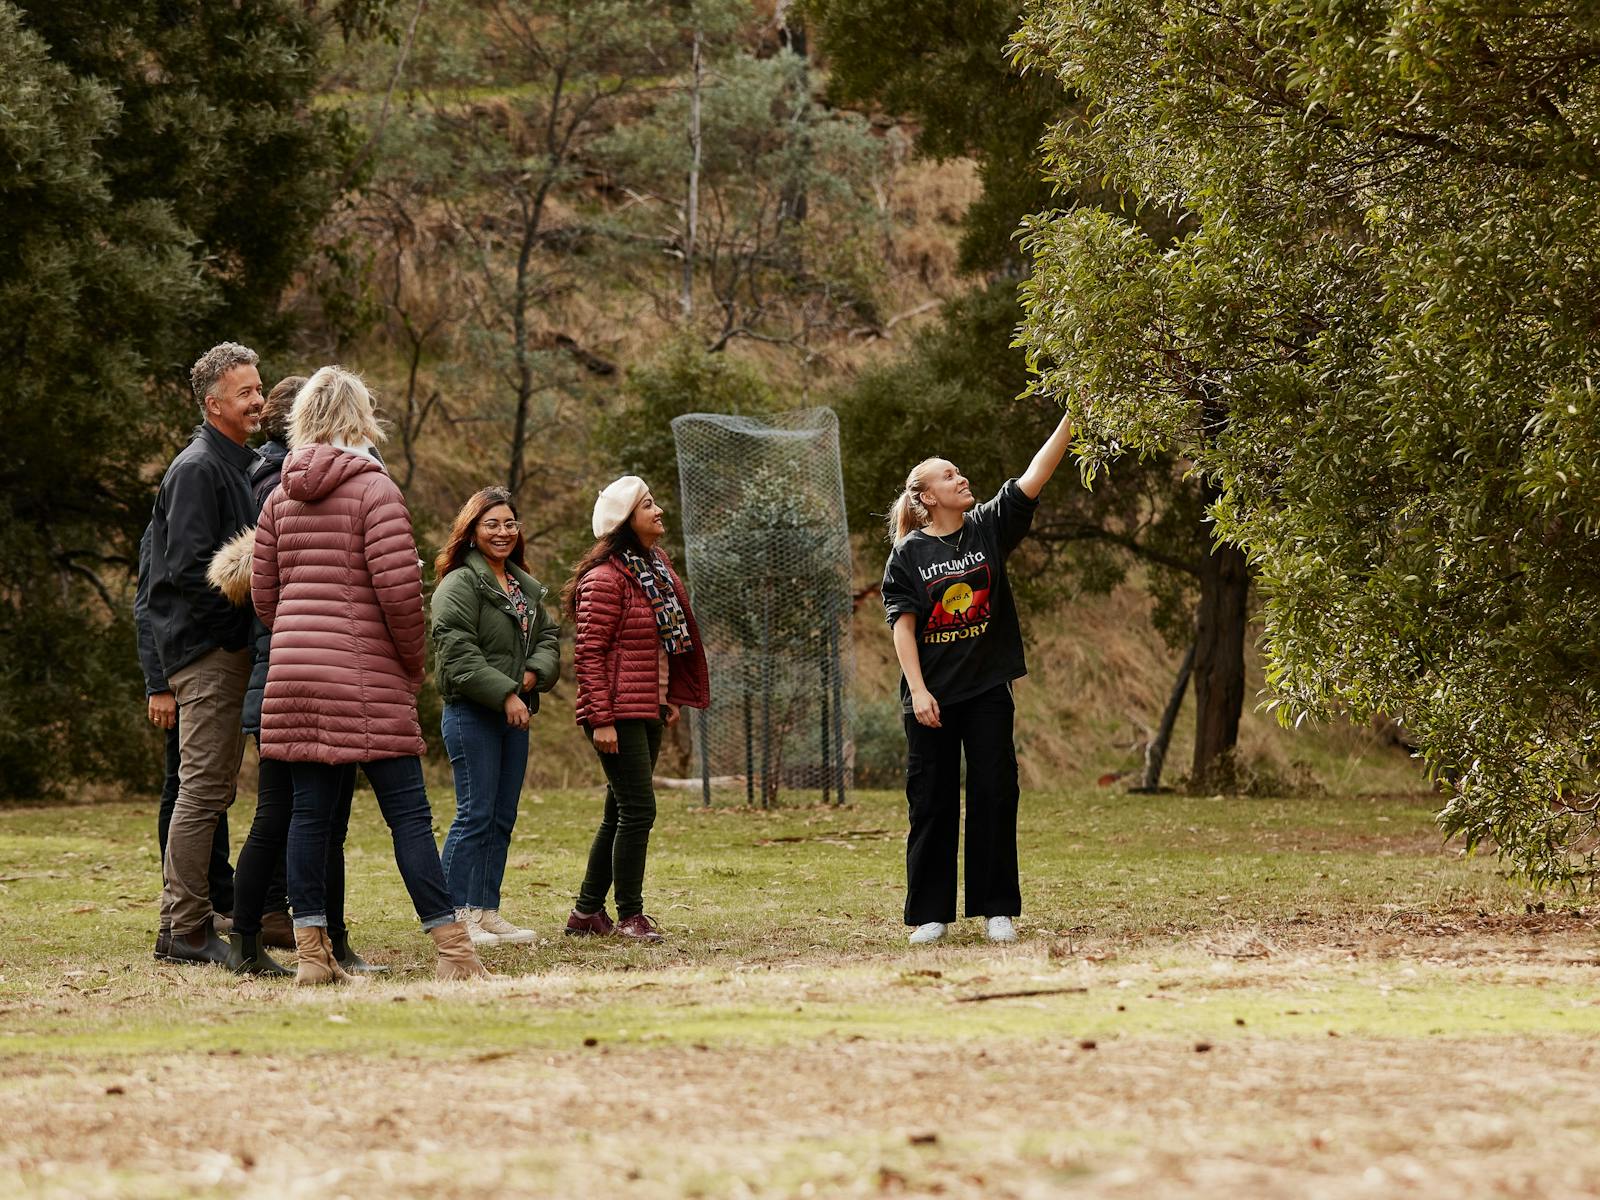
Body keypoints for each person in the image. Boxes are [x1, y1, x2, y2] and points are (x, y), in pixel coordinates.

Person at [252, 365, 487, 984]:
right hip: (363, 673)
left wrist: (300, 636)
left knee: (309, 815)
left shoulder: (279, 496)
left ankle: (312, 957)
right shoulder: (375, 490)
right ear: (361, 417)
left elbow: (265, 597)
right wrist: (411, 664)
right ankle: (453, 952)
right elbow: (400, 595)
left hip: (294, 673)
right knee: (407, 814)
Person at [207, 376, 381, 976]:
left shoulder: (272, 478)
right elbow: (265, 585)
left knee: (288, 814)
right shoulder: (295, 483)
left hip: (282, 667)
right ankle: (314, 940)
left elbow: (265, 586)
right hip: (306, 668)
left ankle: (255, 941)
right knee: (312, 819)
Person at [880, 411, 1075, 946]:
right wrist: (919, 691)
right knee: (931, 802)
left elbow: (1036, 473)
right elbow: (902, 627)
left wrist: (1072, 418)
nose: (961, 477)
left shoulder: (987, 527)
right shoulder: (907, 553)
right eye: (949, 475)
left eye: (959, 471)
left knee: (994, 794)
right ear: (927, 496)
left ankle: (996, 910)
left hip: (988, 689)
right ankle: (931, 915)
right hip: (931, 697)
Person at [147, 342, 263, 965]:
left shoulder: (235, 463)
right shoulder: (197, 468)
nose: (258, 400)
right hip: (208, 653)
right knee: (202, 791)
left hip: (217, 648)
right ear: (214, 404)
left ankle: (183, 925)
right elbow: (190, 570)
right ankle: (187, 930)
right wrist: (232, 634)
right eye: (246, 393)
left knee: (210, 790)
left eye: (259, 388)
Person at [562, 477, 709, 943]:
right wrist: (601, 719)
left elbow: (667, 642)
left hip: (647, 705)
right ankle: (630, 915)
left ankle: (586, 913)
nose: (658, 510)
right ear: (626, 520)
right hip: (616, 712)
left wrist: (668, 697)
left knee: (620, 811)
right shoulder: (605, 579)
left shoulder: (656, 568)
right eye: (648, 505)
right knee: (639, 810)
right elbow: (589, 654)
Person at [431, 487, 561, 946]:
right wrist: (506, 693)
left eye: (509, 524)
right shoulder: (459, 584)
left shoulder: (522, 585)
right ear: (471, 531)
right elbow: (457, 653)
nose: (503, 532)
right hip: (472, 714)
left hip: (514, 714)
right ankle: (453, 917)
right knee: (475, 814)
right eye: (492, 524)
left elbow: (548, 638)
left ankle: (485, 910)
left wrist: (531, 675)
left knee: (502, 816)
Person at [135, 524, 234, 941]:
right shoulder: (163, 526)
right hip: (179, 674)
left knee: (208, 789)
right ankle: (182, 901)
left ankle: (218, 894)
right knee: (182, 787)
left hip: (195, 666)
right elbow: (148, 606)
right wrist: (157, 685)